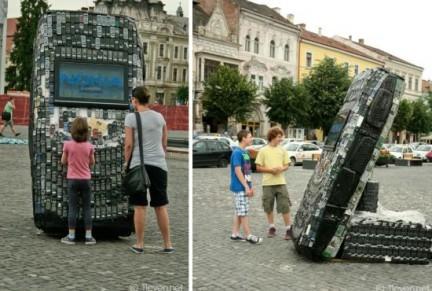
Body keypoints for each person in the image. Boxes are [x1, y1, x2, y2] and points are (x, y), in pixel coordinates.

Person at [124, 86, 174, 254]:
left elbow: (129, 145)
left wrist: (126, 163)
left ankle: (139, 244)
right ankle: (167, 244)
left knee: (140, 206)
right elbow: (165, 142)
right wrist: (160, 155)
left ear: (135, 100)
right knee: (160, 205)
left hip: (139, 164)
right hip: (159, 165)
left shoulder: (131, 118)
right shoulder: (160, 117)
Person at [60, 117, 96, 245]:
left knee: (73, 207)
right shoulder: (89, 146)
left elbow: (63, 161)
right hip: (86, 179)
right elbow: (92, 162)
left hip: (72, 179)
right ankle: (88, 236)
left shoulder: (68, 144)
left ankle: (71, 236)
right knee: (87, 208)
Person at [255, 127, 292, 240]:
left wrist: (281, 168)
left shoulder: (283, 150)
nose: (281, 139)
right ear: (273, 136)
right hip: (267, 184)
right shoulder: (263, 150)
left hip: (281, 183)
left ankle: (288, 229)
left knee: (285, 206)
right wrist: (271, 171)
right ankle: (272, 227)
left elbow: (287, 165)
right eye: (279, 136)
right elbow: (258, 167)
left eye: (281, 136)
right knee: (268, 206)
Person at [230, 129, 263, 244]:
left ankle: (235, 234)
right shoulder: (237, 152)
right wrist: (245, 186)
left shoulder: (245, 152)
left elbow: (247, 171)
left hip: (244, 186)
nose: (251, 138)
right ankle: (248, 235)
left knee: (239, 210)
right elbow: (238, 170)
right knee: (243, 212)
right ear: (243, 138)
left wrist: (250, 186)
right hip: (239, 187)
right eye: (250, 136)